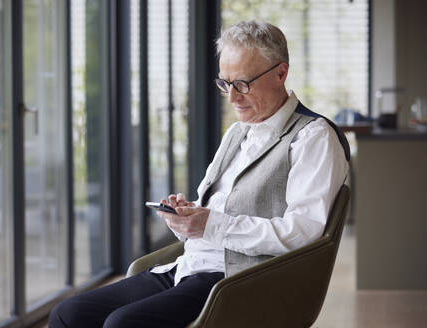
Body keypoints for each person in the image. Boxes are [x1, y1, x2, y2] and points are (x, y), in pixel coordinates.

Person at [49, 20, 349, 328]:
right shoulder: (237, 133)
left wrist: (210, 224)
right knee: (68, 314)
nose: (232, 98)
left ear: (280, 73)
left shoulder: (312, 137)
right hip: (189, 266)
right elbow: (216, 212)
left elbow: (304, 233)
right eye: (225, 84)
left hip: (239, 281)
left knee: (123, 324)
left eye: (243, 84)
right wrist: (187, 218)